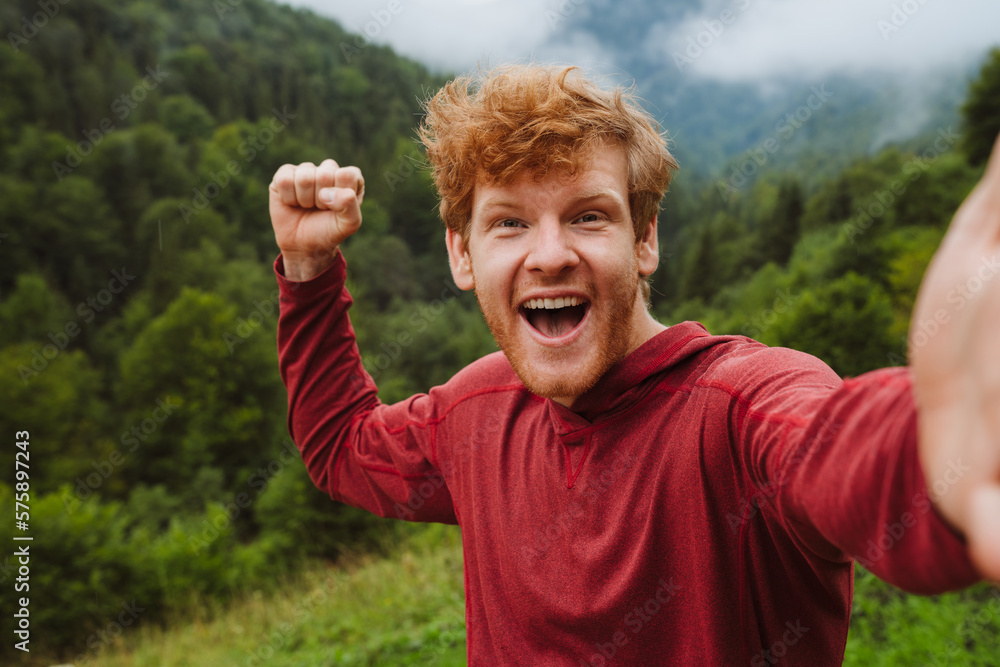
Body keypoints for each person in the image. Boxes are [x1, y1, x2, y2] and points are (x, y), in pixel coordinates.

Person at [267, 65, 1000, 665]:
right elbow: (342, 447)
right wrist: (307, 270)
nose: (549, 253)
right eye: (509, 223)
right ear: (463, 254)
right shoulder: (473, 412)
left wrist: (941, 443)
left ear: (644, 238)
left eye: (588, 214)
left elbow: (831, 447)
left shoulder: (738, 407)